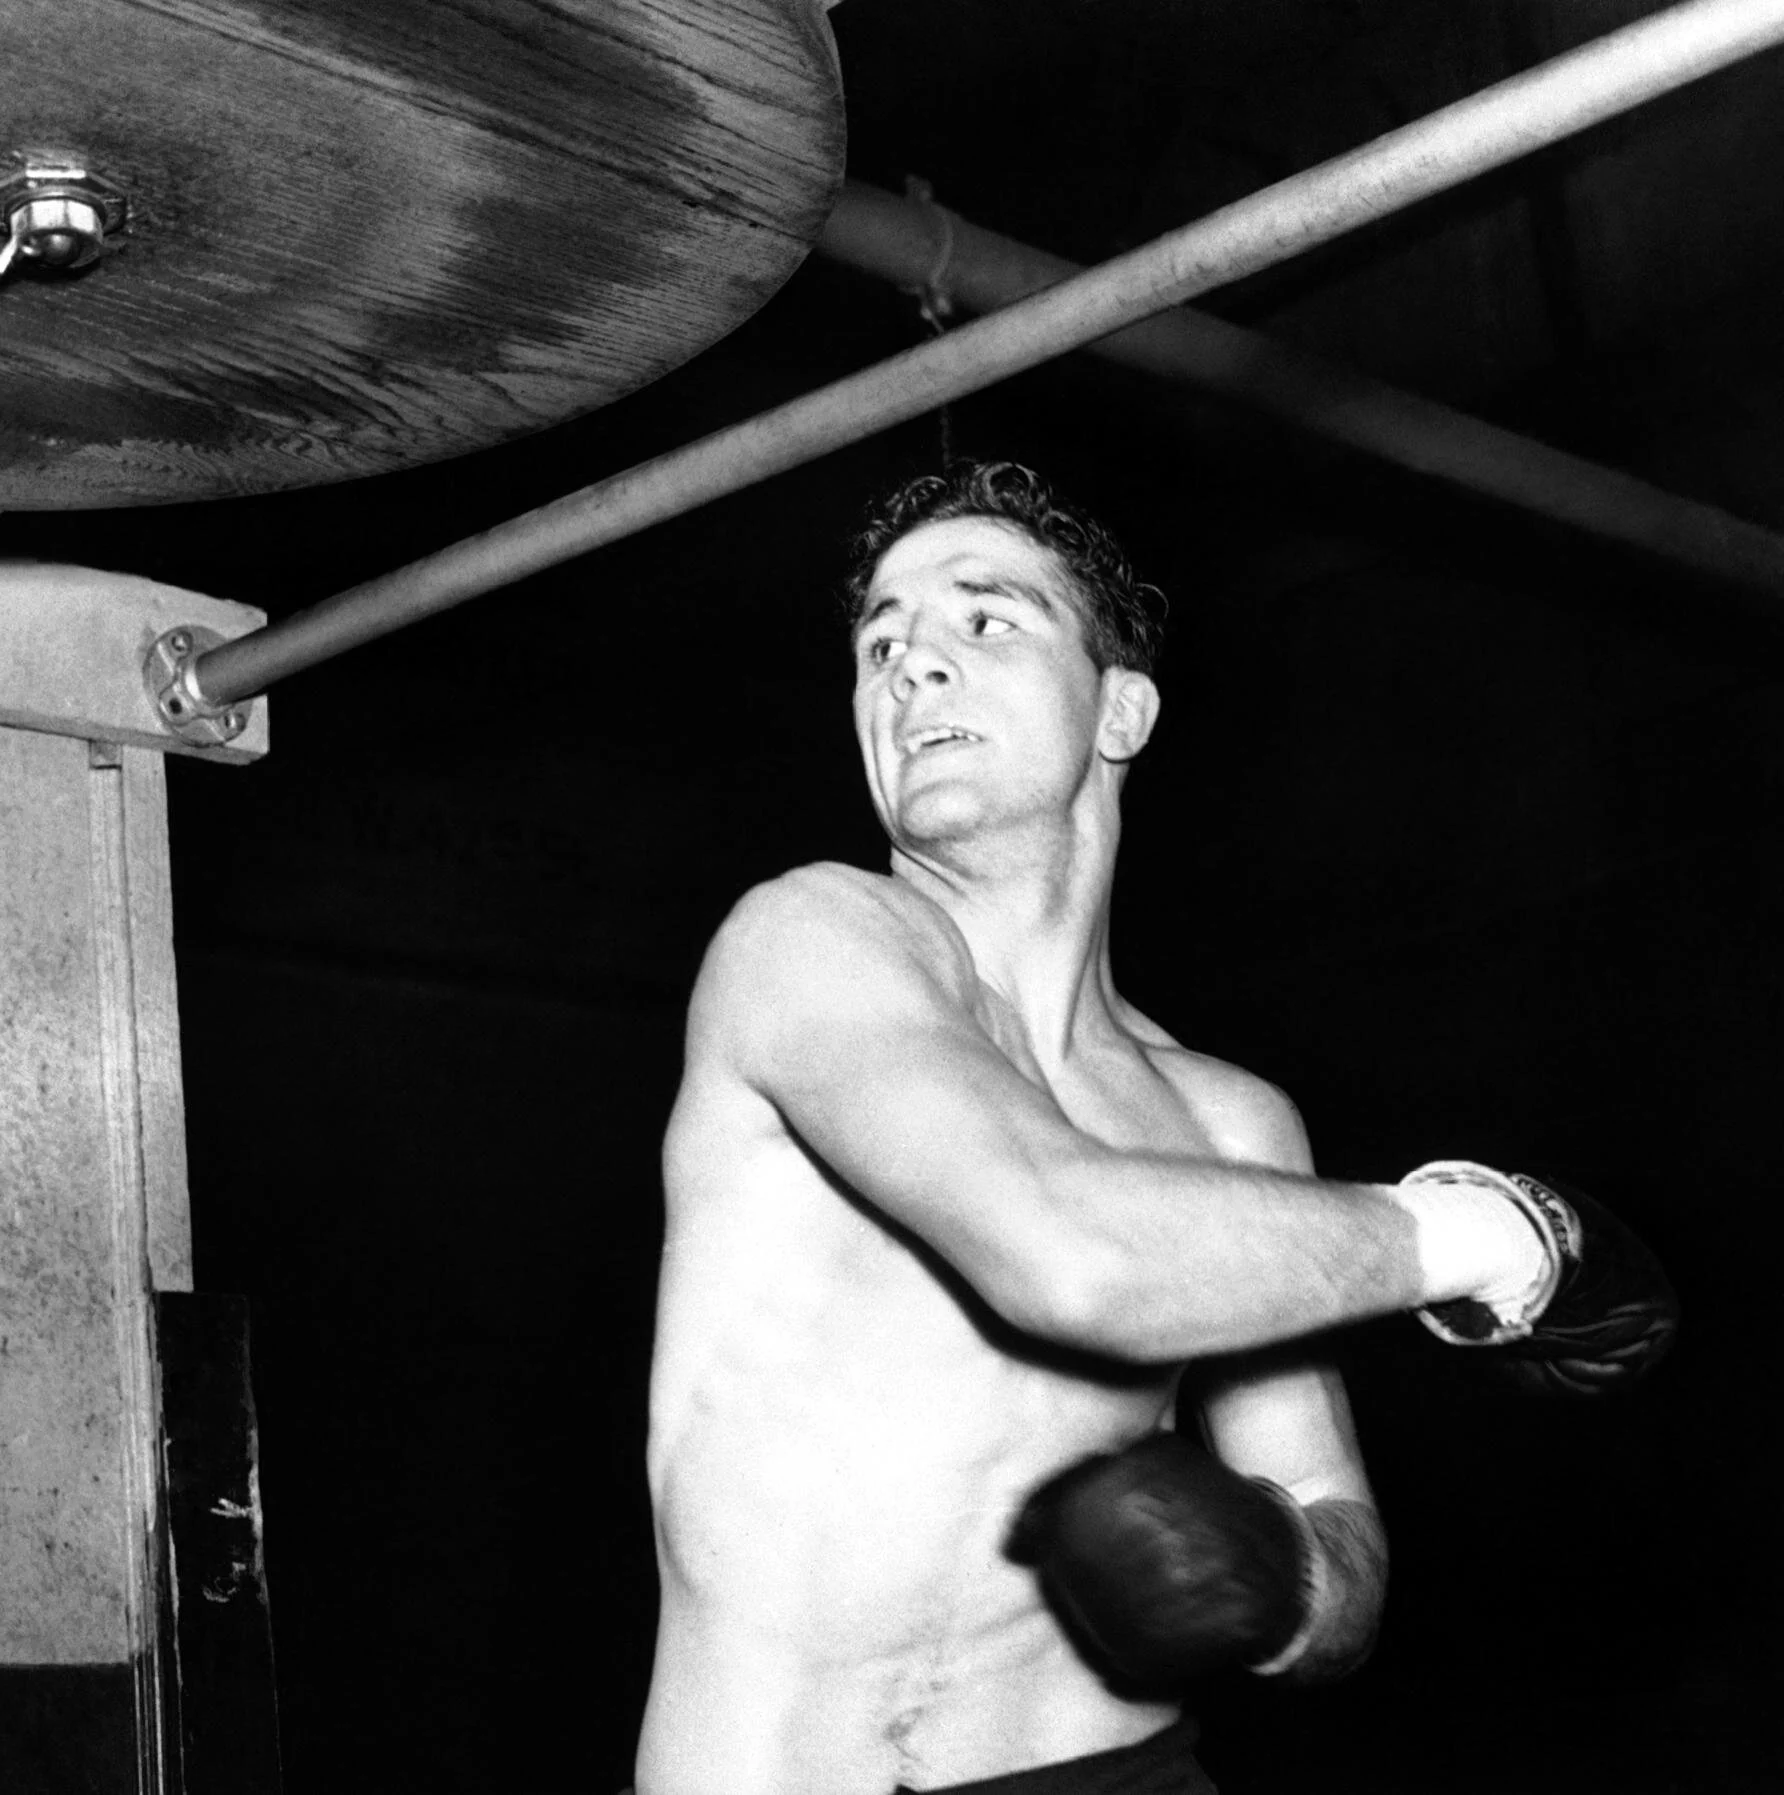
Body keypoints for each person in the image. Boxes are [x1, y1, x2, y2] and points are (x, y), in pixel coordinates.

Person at [634, 462, 1676, 1795]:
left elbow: (1333, 1523)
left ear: (1121, 707)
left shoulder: (1231, 1119)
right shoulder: (806, 940)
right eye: (880, 643)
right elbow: (1068, 1253)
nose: (914, 669)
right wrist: (1496, 1236)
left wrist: (1285, 1587)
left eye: (985, 620)